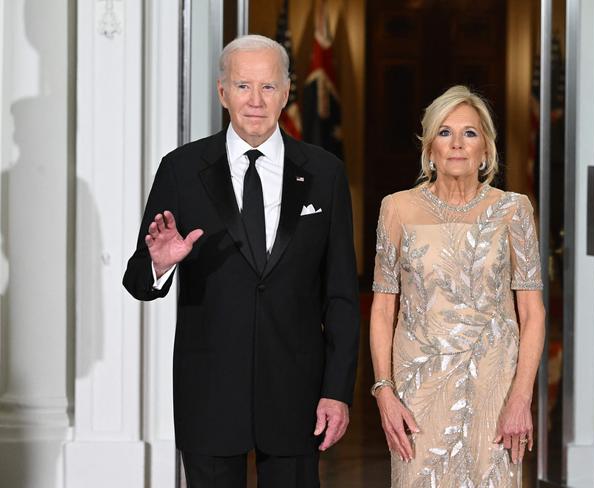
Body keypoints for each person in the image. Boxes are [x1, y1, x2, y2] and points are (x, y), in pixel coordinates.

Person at [123, 34, 359, 488]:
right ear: (222, 92)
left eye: (268, 87)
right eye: (243, 86)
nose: (255, 100)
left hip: (297, 393)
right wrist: (160, 263)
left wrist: (336, 391)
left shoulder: (325, 173)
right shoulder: (181, 169)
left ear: (287, 92)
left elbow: (341, 295)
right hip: (209, 391)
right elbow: (137, 278)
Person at [369, 85, 545, 487]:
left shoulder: (513, 210)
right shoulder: (396, 207)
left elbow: (532, 313)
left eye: (470, 133)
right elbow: (382, 309)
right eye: (445, 132)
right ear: (430, 147)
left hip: (495, 389)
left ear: (486, 147)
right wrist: (384, 391)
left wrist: (521, 397)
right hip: (420, 388)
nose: (457, 144)